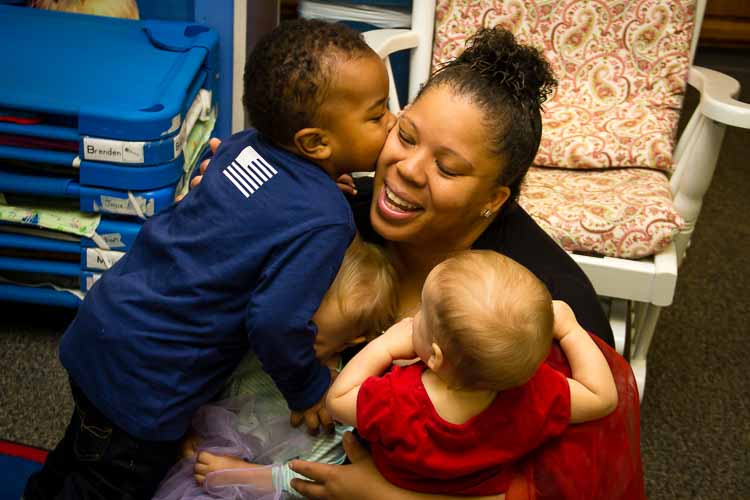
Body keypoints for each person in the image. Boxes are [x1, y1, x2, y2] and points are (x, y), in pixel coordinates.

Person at [192, 26, 644, 500]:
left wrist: (380, 494)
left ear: (494, 198)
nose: (407, 169)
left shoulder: (537, 312)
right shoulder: (328, 218)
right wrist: (230, 204)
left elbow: (558, 487)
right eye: (405, 136)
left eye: (447, 168)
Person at [24, 19, 396, 500]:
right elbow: (275, 322)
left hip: (105, 324)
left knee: (76, 452)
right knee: (106, 484)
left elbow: (258, 208)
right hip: (148, 380)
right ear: (315, 143)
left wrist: (325, 183)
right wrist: (307, 391)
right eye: (377, 114)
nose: (391, 122)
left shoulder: (244, 146)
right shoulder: (327, 220)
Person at [327, 250, 618, 496]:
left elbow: (338, 400)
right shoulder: (536, 397)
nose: (414, 314)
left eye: (423, 312)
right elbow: (601, 396)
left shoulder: (395, 402)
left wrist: (385, 346)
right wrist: (569, 329)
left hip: (390, 479)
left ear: (436, 356)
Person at [152, 236, 398, 500]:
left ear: (352, 339)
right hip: (200, 477)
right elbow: (205, 385)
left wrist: (241, 474)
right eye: (288, 324)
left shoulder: (340, 395)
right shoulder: (259, 349)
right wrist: (190, 433)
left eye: (310, 338)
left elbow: (317, 477)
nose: (290, 343)